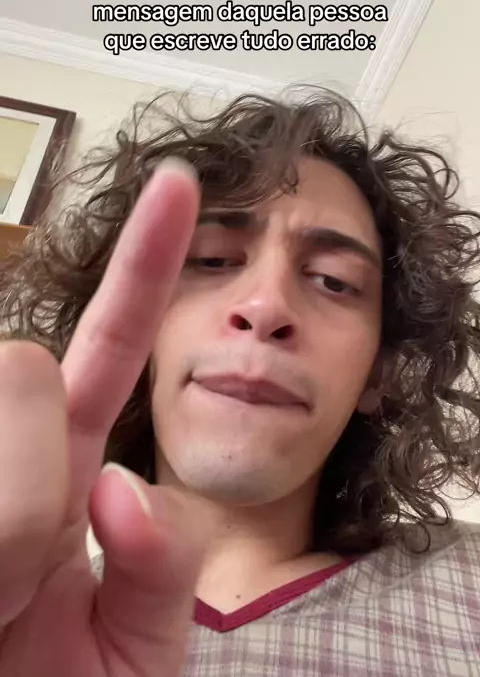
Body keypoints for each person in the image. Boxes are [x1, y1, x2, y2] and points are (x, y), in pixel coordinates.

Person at [0, 86, 479, 676]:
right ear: (138, 328)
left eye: (334, 281)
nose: (266, 305)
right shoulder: (23, 613)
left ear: (377, 374)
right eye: (212, 258)